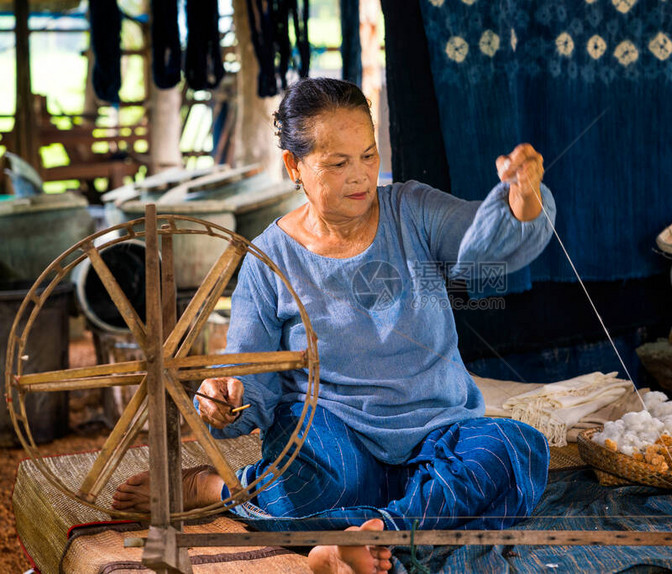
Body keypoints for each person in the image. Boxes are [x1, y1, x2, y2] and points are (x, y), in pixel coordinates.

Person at [114, 77, 557, 574]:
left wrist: (520, 205)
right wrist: (225, 398)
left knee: (515, 448)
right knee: (300, 482)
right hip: (334, 442)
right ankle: (219, 488)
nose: (361, 177)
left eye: (368, 156)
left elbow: (485, 241)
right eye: (338, 163)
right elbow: (250, 384)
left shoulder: (412, 209)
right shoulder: (268, 259)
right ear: (294, 167)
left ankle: (362, 537)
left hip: (438, 431)